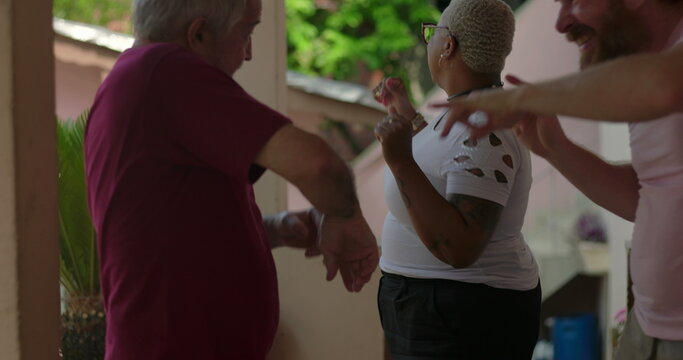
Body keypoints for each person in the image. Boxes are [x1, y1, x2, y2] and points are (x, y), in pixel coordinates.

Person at [84, 0, 379, 358]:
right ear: (199, 33)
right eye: (247, 32)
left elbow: (171, 233)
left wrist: (276, 228)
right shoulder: (164, 71)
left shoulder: (139, 79)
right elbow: (318, 165)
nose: (249, 54)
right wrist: (345, 218)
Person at [436, 0, 683, 358]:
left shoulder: (660, 78)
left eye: (575, 0)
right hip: (646, 330)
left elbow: (664, 87)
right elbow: (645, 197)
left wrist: (523, 97)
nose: (562, 22)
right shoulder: (649, 68)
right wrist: (557, 151)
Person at [372, 0, 540, 358]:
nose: (428, 43)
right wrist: (409, 117)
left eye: (432, 33)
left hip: (459, 315)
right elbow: (446, 165)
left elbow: (459, 246)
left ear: (448, 45)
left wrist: (401, 161)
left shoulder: (483, 128)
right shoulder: (468, 112)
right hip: (434, 308)